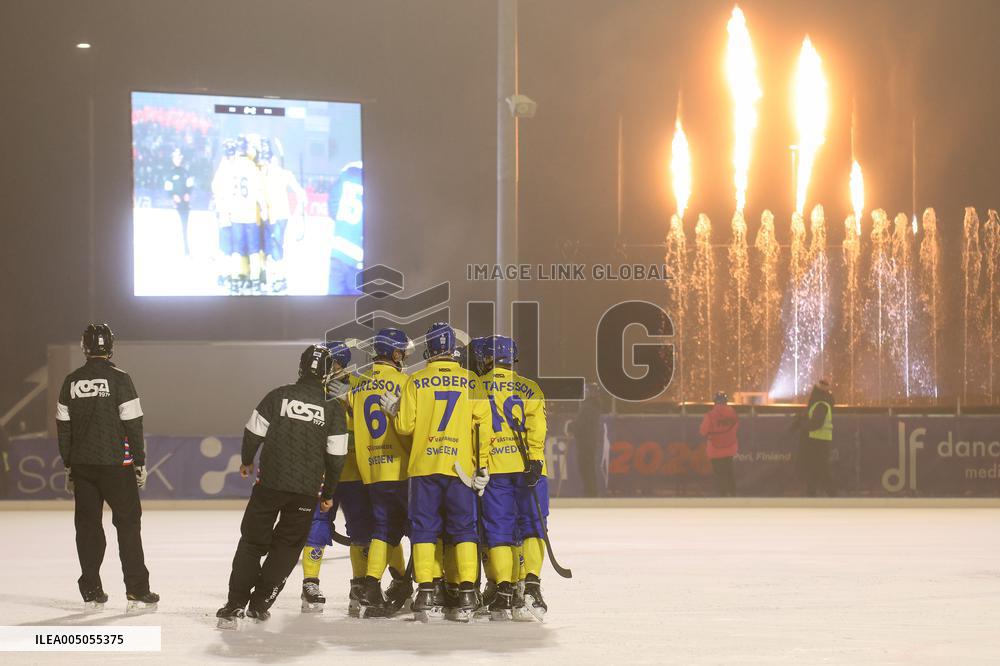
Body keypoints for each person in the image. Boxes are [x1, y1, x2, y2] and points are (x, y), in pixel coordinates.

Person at [216, 345, 349, 628]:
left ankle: (235, 604)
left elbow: (253, 431)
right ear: (327, 373)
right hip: (305, 491)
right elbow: (337, 457)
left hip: (270, 486)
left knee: (252, 543)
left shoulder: (278, 396)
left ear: (301, 367)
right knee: (287, 548)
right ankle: (261, 603)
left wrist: (246, 460)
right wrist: (328, 494)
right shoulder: (332, 408)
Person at [380, 322, 490, 622]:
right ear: (454, 349)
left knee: (425, 529)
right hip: (460, 468)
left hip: (424, 466)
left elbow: (404, 426)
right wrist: (484, 465)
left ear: (430, 349)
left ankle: (426, 590)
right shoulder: (471, 381)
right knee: (464, 529)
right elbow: (483, 429)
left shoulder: (415, 381)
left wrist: (395, 411)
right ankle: (467, 591)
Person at [55, 323, 158, 612]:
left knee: (87, 528)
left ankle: (91, 590)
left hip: (83, 466)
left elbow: (63, 428)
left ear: (84, 347)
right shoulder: (120, 379)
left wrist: (68, 464)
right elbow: (133, 423)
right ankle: (137, 591)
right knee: (127, 525)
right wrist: (139, 461)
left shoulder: (71, 381)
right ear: (110, 346)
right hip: (117, 464)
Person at [476, 335, 549, 621]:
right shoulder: (530, 387)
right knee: (533, 527)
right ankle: (531, 585)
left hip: (495, 467)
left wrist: (480, 464)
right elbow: (538, 426)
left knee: (499, 531)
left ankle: (505, 591)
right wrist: (535, 458)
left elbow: (478, 429)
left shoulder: (477, 386)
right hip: (529, 469)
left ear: (488, 358)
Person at [351, 328, 415, 617]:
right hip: (399, 468)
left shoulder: (358, 386)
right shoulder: (406, 383)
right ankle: (378, 585)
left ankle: (391, 584)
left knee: (385, 529)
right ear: (395, 354)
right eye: (403, 352)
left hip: (370, 470)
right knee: (402, 532)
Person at [298, 340, 358, 613]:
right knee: (318, 525)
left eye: (329, 364)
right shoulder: (313, 389)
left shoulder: (360, 384)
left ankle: (362, 584)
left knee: (364, 529)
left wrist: (352, 401)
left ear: (340, 365)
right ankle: (310, 582)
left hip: (357, 468)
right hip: (324, 469)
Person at [800, 379, 836, 497]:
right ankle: (818, 493)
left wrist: (803, 425)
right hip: (819, 440)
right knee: (818, 468)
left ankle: (827, 493)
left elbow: (816, 423)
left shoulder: (820, 402)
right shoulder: (824, 401)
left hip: (816, 441)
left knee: (818, 469)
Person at [699, 392, 739, 497]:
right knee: (729, 471)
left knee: (719, 473)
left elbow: (703, 431)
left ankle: (723, 495)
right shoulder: (733, 413)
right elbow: (736, 428)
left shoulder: (710, 415)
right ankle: (733, 493)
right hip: (730, 448)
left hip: (715, 450)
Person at [164, 148, 194, 255]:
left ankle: (186, 251)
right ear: (172, 159)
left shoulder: (186, 172)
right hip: (174, 206)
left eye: (179, 157)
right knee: (175, 229)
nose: (177, 159)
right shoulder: (170, 174)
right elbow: (167, 189)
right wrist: (173, 196)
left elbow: (190, 186)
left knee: (185, 228)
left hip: (185, 206)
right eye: (175, 157)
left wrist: (188, 194)